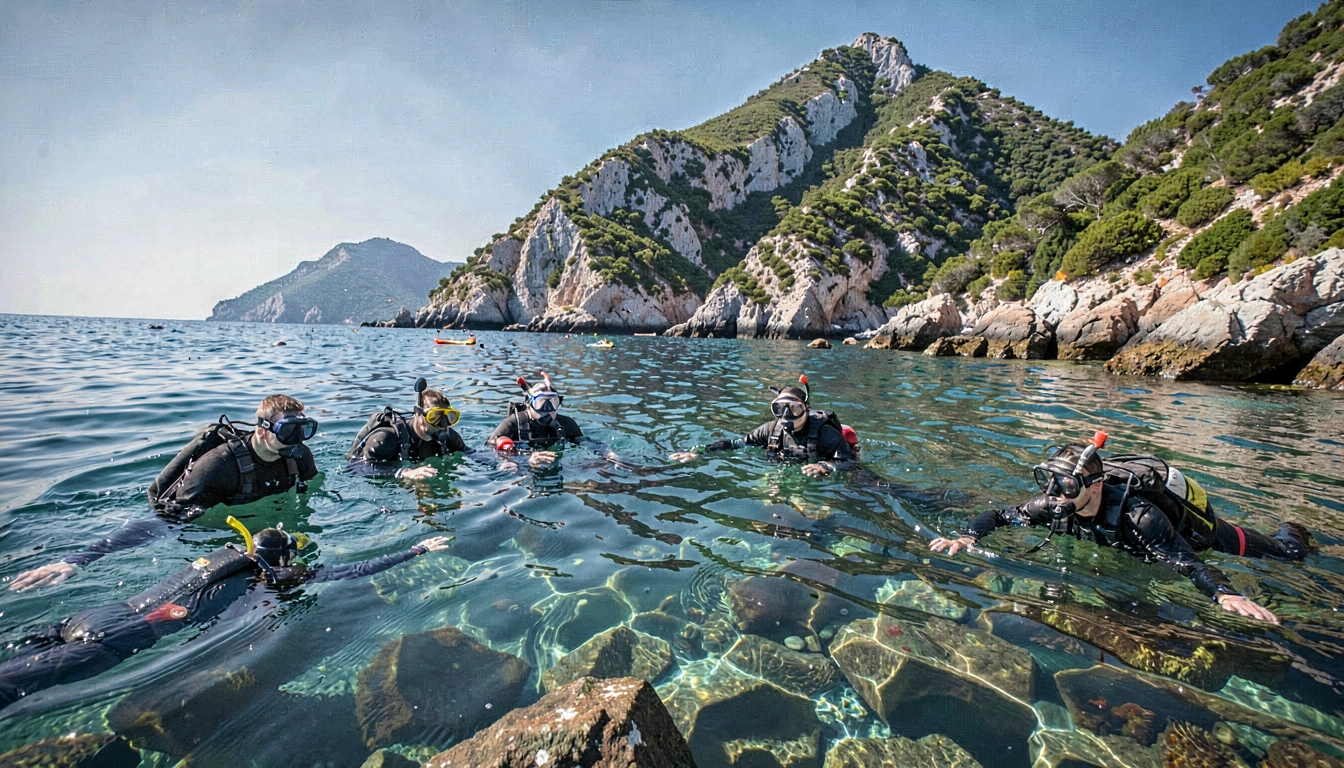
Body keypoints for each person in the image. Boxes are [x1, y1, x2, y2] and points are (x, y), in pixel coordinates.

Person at [0, 516, 451, 709]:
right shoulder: (275, 575)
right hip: (121, 638)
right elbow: (354, 571)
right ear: (282, 560)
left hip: (95, 613)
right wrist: (416, 549)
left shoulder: (225, 553)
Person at [929, 435, 1313, 624]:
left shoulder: (1139, 517)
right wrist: (967, 536)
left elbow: (1189, 564)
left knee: (1290, 553)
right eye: (1049, 483)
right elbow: (999, 516)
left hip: (1202, 537)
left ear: (1095, 487)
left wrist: (1224, 594)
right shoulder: (1053, 503)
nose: (1055, 495)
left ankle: (1295, 525)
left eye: (1067, 486)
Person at [8, 394, 320, 592]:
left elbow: (316, 489)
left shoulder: (298, 456)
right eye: (289, 431)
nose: (298, 440)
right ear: (262, 430)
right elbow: (165, 522)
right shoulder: (219, 466)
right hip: (201, 533)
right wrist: (80, 560)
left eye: (304, 430)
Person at [670, 375, 858, 476]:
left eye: (794, 408)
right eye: (779, 408)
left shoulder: (826, 434)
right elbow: (735, 444)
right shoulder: (770, 430)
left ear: (806, 408)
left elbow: (849, 462)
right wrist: (701, 452)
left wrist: (826, 466)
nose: (786, 415)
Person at [347, 377, 470, 480]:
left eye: (450, 417)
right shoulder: (385, 437)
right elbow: (358, 467)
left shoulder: (450, 437)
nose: (443, 424)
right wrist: (403, 473)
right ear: (418, 414)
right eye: (435, 417)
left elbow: (471, 455)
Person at [490, 372, 617, 470]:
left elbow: (588, 442)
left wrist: (609, 454)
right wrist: (518, 460)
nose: (547, 409)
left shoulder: (566, 424)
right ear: (529, 404)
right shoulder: (512, 423)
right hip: (524, 469)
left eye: (552, 402)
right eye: (541, 403)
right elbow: (487, 454)